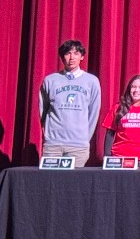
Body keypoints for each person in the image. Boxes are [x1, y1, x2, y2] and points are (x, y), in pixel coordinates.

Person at [39, 39, 102, 167]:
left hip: (78, 146)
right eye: (68, 53)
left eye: (76, 53)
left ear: (82, 57)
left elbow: (93, 112)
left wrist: (84, 138)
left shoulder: (91, 81)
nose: (72, 57)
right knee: (50, 183)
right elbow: (43, 110)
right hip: (53, 145)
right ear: (62, 57)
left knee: (72, 184)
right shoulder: (50, 80)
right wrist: (49, 134)